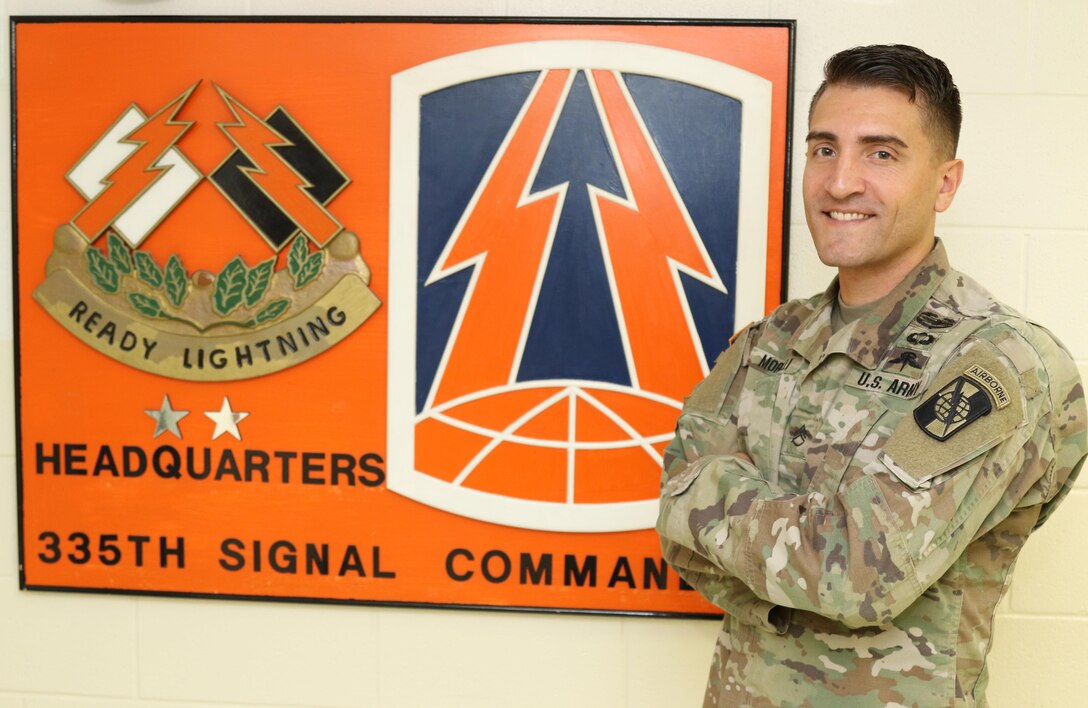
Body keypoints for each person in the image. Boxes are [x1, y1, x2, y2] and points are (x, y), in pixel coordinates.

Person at [657, 44, 1087, 707]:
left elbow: (858, 574)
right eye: (824, 149)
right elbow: (674, 524)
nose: (840, 182)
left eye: (881, 153)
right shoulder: (770, 342)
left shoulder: (995, 364)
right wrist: (796, 553)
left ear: (945, 182)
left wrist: (720, 500)